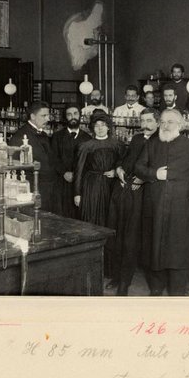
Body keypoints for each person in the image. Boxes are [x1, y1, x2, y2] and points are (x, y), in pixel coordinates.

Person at [135, 109, 189, 297]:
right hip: (155, 204)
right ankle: (156, 288)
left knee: (179, 248)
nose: (165, 126)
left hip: (180, 205)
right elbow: (138, 168)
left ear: (180, 125)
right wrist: (155, 174)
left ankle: (178, 290)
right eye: (162, 122)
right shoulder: (151, 144)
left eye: (170, 122)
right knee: (155, 246)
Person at [107, 108, 160, 296]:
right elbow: (126, 158)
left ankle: (129, 283)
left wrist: (143, 179)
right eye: (142, 121)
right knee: (120, 234)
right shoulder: (137, 139)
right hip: (125, 191)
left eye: (149, 121)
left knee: (135, 239)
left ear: (158, 122)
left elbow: (159, 169)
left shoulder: (161, 141)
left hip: (144, 195)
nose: (145, 125)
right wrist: (119, 168)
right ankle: (119, 277)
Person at [74, 114, 124, 278]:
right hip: (92, 188)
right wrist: (77, 193)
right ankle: (91, 267)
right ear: (92, 128)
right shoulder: (86, 146)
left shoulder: (118, 145)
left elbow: (124, 164)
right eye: (97, 125)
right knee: (92, 222)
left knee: (110, 223)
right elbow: (79, 170)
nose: (100, 128)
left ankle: (110, 269)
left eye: (103, 125)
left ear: (109, 127)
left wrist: (115, 171)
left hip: (111, 188)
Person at [8, 101, 64, 214]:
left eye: (48, 115)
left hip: (50, 189)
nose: (48, 119)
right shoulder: (20, 136)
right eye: (43, 116)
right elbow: (15, 167)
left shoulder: (43, 134)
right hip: (34, 189)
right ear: (33, 116)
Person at [51, 105, 91, 218]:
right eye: (69, 114)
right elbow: (53, 158)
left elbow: (89, 162)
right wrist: (64, 172)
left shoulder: (87, 138)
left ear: (80, 116)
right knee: (61, 216)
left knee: (78, 216)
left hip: (80, 184)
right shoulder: (57, 137)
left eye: (75, 113)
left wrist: (77, 175)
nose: (73, 117)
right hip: (61, 183)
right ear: (65, 117)